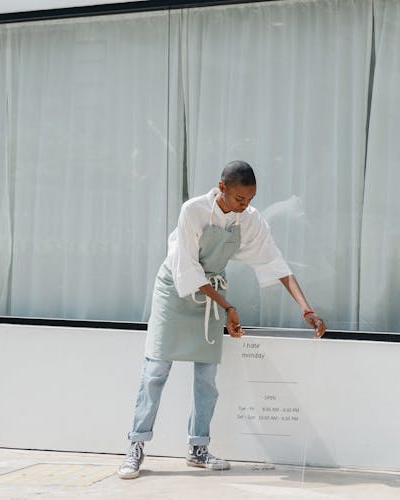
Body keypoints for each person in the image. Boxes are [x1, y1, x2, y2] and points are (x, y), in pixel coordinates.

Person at [118, 160, 326, 479]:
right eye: (240, 199)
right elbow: (186, 269)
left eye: (251, 200)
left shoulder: (249, 220)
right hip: (175, 290)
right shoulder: (193, 210)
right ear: (222, 187)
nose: (245, 206)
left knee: (206, 378)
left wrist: (306, 309)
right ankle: (136, 445)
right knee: (155, 372)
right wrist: (228, 307)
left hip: (213, 295)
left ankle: (198, 448)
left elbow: (276, 263)